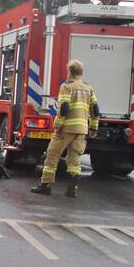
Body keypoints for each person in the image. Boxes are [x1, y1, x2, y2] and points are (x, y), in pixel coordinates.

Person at [31, 59, 99, 198]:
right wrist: (93, 127)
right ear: (81, 72)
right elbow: (95, 109)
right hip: (82, 130)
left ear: (70, 71)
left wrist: (58, 126)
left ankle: (45, 185)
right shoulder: (88, 88)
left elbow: (64, 107)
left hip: (66, 128)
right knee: (75, 158)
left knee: (52, 155)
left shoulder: (67, 86)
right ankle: (72, 189)